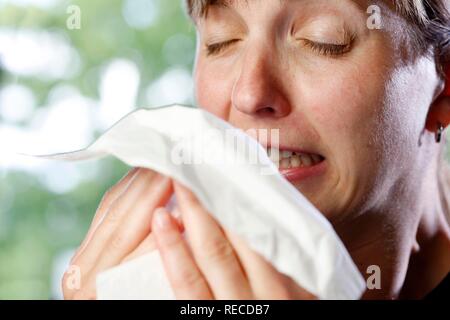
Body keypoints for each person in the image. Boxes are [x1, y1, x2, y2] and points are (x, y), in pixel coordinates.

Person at [63, 0, 450, 299]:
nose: (249, 93)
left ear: (443, 86)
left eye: (323, 41)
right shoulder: (139, 276)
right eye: (222, 40)